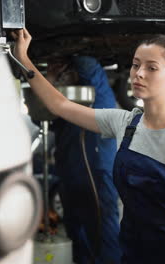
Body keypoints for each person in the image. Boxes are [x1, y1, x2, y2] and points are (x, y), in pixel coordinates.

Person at [12, 28, 165, 264]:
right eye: (136, 65)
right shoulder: (124, 123)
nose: (139, 74)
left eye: (151, 68)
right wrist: (24, 59)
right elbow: (60, 105)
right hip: (133, 254)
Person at [46, 56, 121, 264]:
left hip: (96, 173)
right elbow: (42, 115)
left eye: (66, 75)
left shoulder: (98, 99)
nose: (63, 81)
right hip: (69, 175)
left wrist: (74, 52)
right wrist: (50, 79)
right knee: (76, 234)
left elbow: (90, 68)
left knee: (103, 233)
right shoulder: (65, 107)